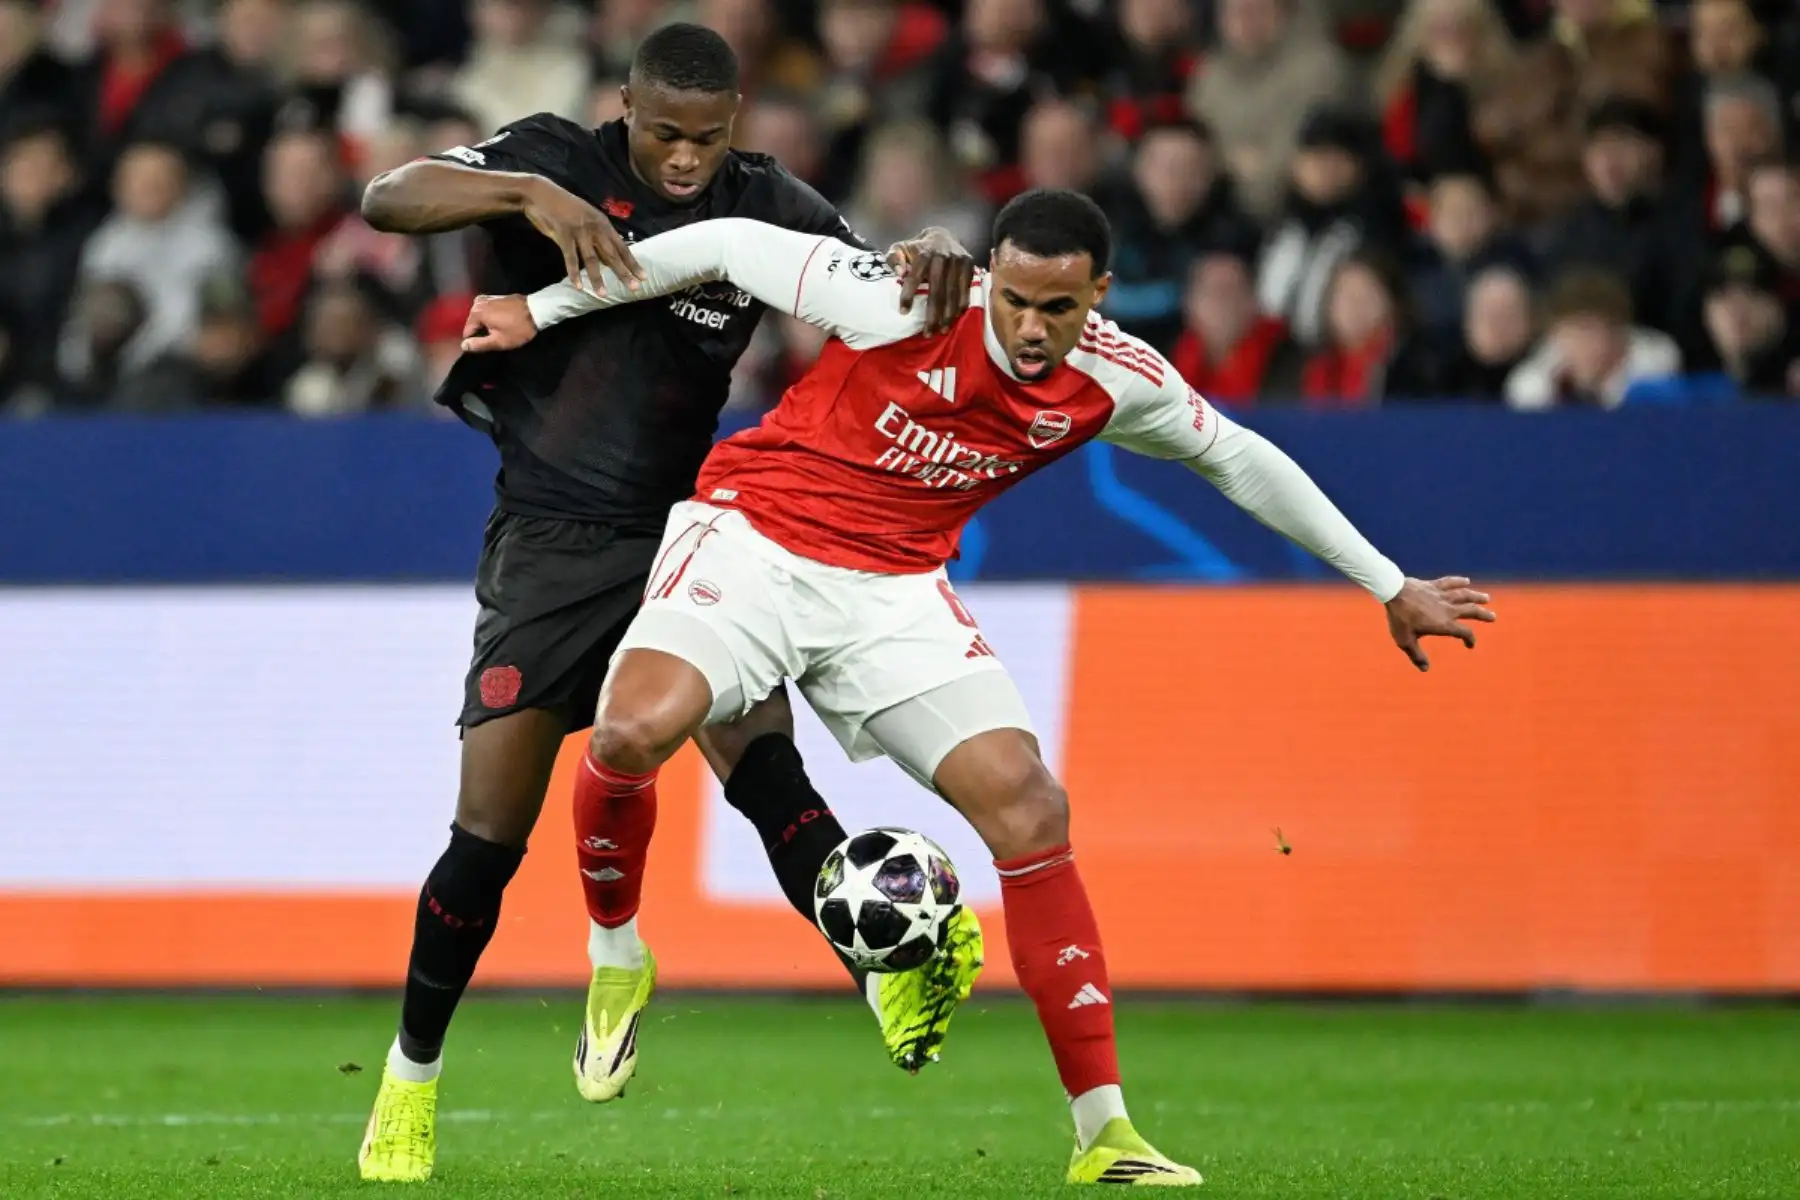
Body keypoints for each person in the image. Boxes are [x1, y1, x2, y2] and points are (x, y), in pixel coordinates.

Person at [462, 188, 1495, 1184]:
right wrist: (541, 310)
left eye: (1060, 307)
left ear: (1100, 295)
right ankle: (618, 955)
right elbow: (728, 242)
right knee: (630, 733)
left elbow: (1239, 458)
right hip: (757, 540)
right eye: (1017, 300)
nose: (1033, 328)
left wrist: (1389, 584)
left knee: (1031, 806)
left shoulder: (1116, 377)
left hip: (894, 589)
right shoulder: (904, 298)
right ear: (991, 273)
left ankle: (1106, 1134)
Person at [352, 23, 980, 1185]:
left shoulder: (767, 203)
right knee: (486, 840)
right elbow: (388, 197)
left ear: (736, 121)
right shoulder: (554, 155)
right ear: (624, 109)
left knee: (768, 768)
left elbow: (882, 296)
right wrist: (529, 196)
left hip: (695, 530)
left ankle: (881, 972)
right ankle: (411, 1077)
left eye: (708, 137)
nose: (687, 159)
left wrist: (933, 253)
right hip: (549, 541)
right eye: (664, 134)